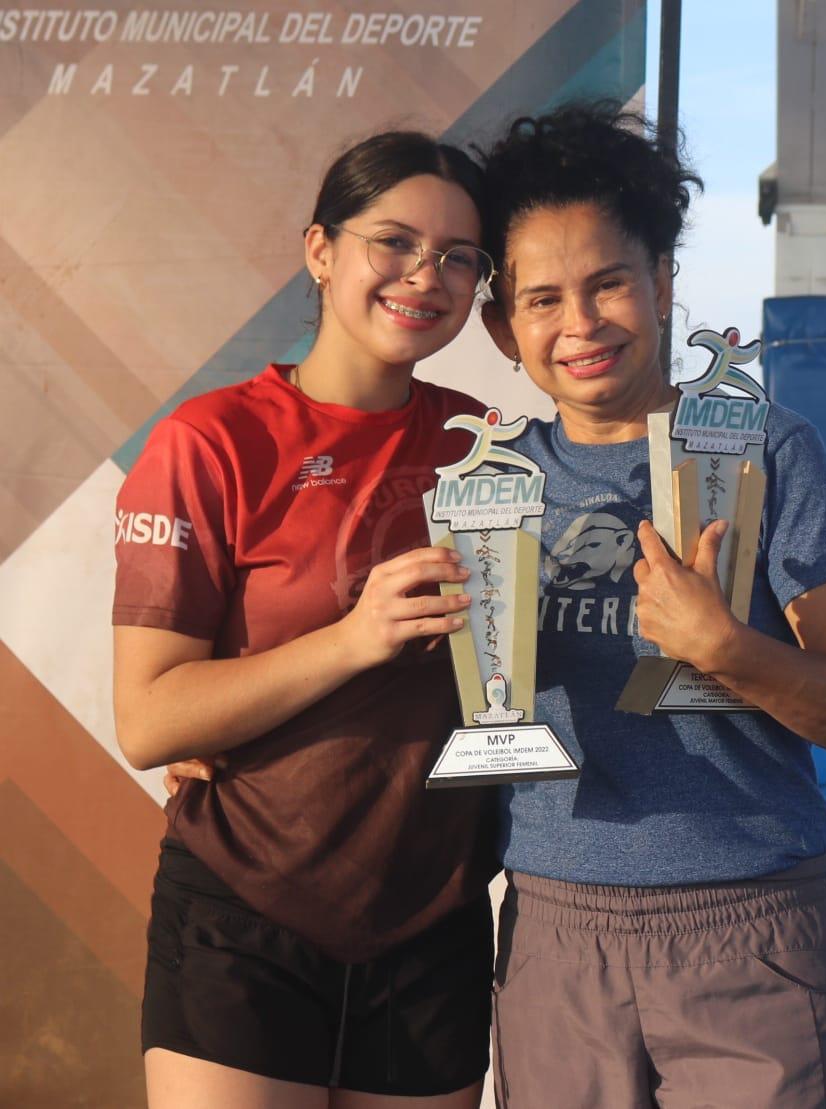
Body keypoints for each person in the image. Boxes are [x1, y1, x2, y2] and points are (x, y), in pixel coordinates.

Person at [474, 103, 826, 1108]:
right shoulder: (486, 488)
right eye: (541, 298)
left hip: (752, 925)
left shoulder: (765, 448)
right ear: (504, 326)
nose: (577, 324)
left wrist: (727, 647)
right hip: (553, 934)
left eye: (609, 282)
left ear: (664, 282)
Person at [113, 131, 501, 1109]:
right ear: (320, 249)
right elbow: (150, 719)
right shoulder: (213, 439)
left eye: (461, 256)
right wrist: (352, 638)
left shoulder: (489, 448)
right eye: (396, 241)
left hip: (436, 920)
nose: (428, 274)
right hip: (243, 915)